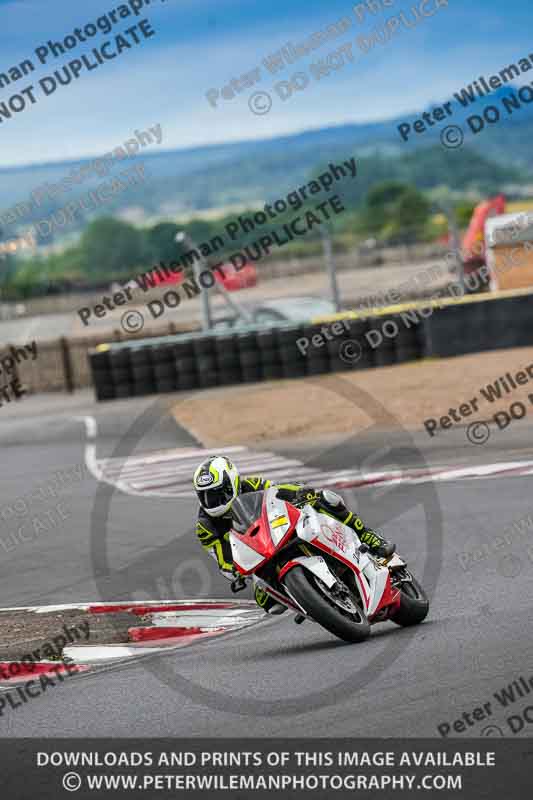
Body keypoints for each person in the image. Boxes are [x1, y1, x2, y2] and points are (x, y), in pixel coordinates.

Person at [194, 455, 395, 614]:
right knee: (266, 602)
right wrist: (234, 571)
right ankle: (308, 600)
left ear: (233, 482)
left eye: (219, 493)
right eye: (205, 496)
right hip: (259, 553)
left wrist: (301, 492)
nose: (212, 500)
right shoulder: (205, 526)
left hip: (279, 530)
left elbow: (278, 492)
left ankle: (367, 535)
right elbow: (222, 557)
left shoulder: (252, 485)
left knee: (325, 499)